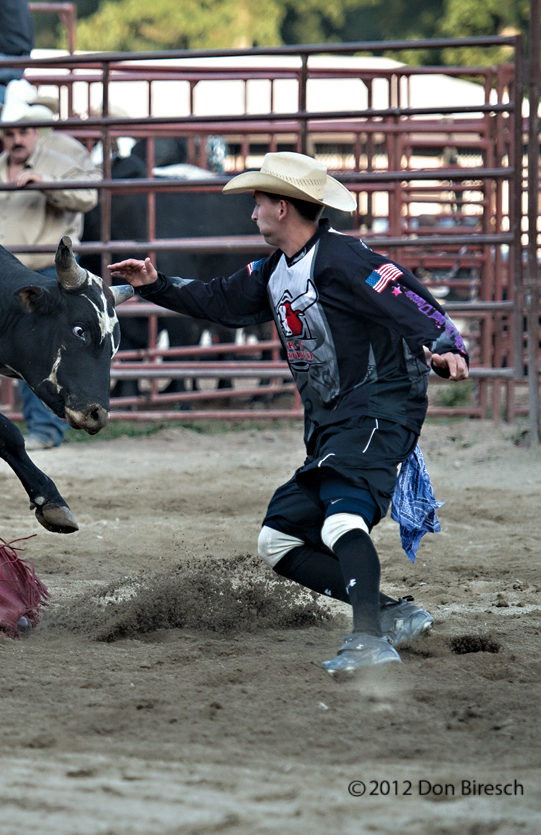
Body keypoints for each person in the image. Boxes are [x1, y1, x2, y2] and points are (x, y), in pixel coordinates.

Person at [109, 152, 469, 674]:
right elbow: (218, 301)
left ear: (282, 207)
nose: (251, 213)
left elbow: (408, 298)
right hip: (334, 423)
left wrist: (446, 344)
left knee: (343, 517)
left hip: (377, 410)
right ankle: (393, 615)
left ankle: (368, 640)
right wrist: (154, 285)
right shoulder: (273, 270)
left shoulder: (345, 259)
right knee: (277, 539)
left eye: (257, 203)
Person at [0, 81, 99, 449]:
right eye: (10, 132)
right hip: (0, 278)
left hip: (40, 275)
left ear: (35, 131)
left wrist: (46, 184)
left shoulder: (59, 165)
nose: (17, 138)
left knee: (37, 353)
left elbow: (88, 196)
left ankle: (44, 428)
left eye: (23, 130)